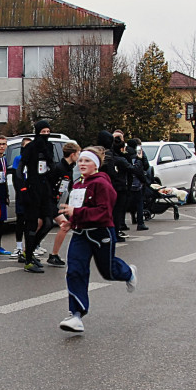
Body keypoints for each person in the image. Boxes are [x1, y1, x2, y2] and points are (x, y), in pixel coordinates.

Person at [57, 147, 137, 333]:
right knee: (75, 271)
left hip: (101, 233)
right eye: (81, 161)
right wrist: (71, 222)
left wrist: (76, 213)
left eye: (87, 161)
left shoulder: (102, 184)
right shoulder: (78, 184)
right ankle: (76, 315)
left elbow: (103, 212)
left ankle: (128, 272)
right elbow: (77, 209)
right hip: (81, 234)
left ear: (96, 165)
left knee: (107, 272)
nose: (82, 164)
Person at [20, 120, 56, 273]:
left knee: (48, 222)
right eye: (43, 132)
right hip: (32, 189)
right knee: (32, 225)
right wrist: (23, 188)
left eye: (48, 132)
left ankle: (30, 250)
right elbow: (20, 168)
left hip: (45, 189)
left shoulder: (49, 147)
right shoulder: (30, 147)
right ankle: (28, 259)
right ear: (37, 132)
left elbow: (51, 166)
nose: (46, 135)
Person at [46, 141, 81, 267]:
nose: (79, 157)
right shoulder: (59, 168)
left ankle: (53, 254)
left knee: (62, 225)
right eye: (78, 153)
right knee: (62, 225)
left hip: (59, 201)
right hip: (51, 201)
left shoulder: (68, 168)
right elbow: (50, 184)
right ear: (72, 154)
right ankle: (50, 254)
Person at [98, 131, 131, 240]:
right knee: (115, 211)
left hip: (100, 186)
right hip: (112, 186)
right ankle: (113, 234)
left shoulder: (97, 152)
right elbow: (112, 172)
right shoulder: (109, 154)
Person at [10, 137, 31, 260]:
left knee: (32, 221)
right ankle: (18, 246)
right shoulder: (18, 159)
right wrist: (21, 190)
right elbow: (16, 177)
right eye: (26, 146)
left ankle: (32, 247)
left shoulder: (33, 159)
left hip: (32, 194)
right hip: (22, 194)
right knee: (20, 220)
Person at [127, 138, 150, 230]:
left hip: (127, 181)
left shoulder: (124, 153)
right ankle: (140, 222)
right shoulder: (139, 154)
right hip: (137, 180)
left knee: (129, 201)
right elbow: (146, 165)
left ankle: (130, 218)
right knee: (139, 201)